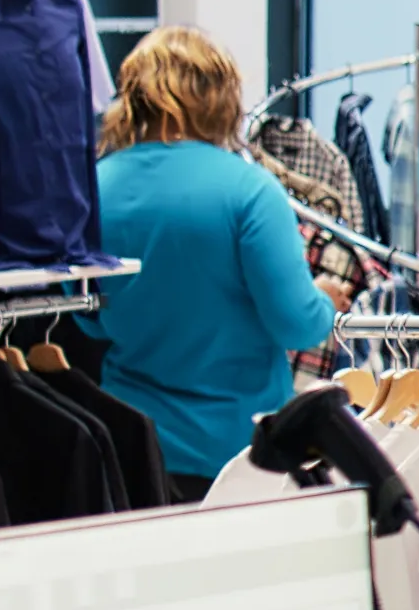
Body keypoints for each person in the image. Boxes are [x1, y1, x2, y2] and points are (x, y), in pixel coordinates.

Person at [82, 27, 341, 502]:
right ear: (222, 98)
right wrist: (323, 301)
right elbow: (297, 324)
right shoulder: (250, 191)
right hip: (236, 453)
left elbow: (89, 318)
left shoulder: (93, 189)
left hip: (129, 446)